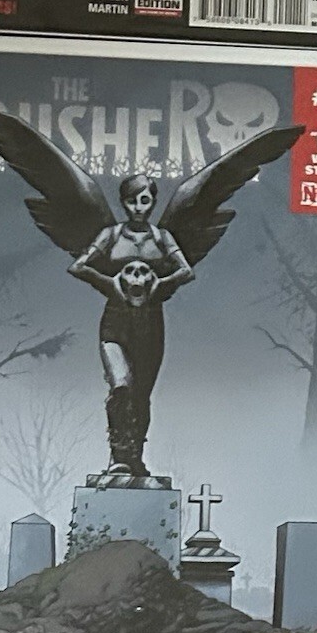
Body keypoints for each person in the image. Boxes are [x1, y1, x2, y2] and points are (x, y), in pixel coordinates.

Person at [69, 175, 195, 476]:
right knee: (121, 386)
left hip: (150, 322)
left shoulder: (162, 238)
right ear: (123, 203)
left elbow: (186, 271)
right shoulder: (111, 235)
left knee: (140, 397)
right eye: (132, 201)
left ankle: (135, 456)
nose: (138, 208)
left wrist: (159, 285)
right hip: (116, 319)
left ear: (152, 202)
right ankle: (119, 455)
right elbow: (79, 266)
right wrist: (111, 283)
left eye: (144, 201)